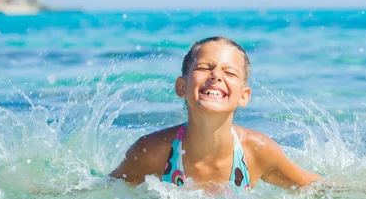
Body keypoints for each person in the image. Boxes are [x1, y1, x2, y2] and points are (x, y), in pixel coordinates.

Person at [109, 36, 320, 190]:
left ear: (243, 96)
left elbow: (313, 186)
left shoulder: (256, 152)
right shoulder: (153, 152)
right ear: (181, 87)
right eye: (203, 68)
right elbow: (104, 191)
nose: (216, 76)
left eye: (229, 72)